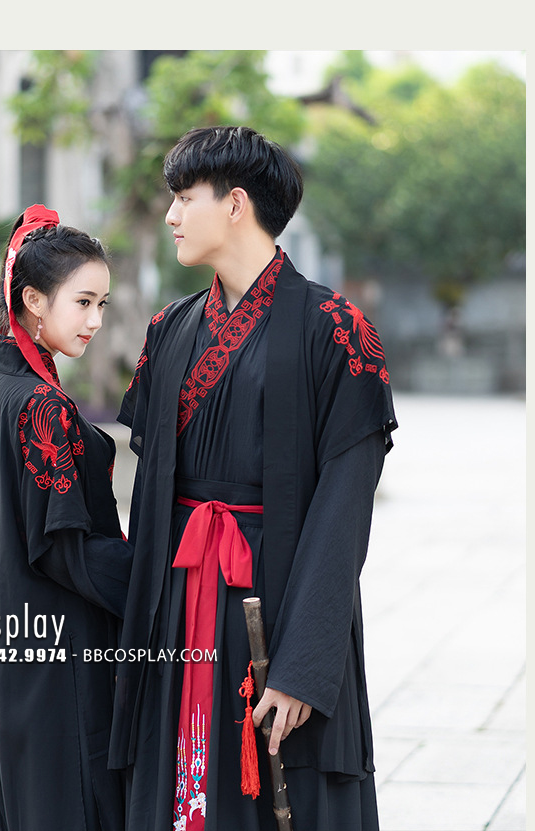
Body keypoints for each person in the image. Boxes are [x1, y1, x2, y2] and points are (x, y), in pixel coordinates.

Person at [109, 127, 398, 831]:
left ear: (236, 204)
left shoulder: (336, 329)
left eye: (185, 198)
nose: (171, 215)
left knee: (275, 784)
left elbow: (344, 508)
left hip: (273, 596)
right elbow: (148, 494)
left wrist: (303, 666)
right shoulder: (170, 328)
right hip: (181, 599)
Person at [0, 204, 132, 831]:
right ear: (33, 300)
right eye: (82, 302)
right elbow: (62, 549)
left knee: (17, 790)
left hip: (9, 629)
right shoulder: (39, 405)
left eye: (102, 304)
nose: (95, 320)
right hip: (62, 643)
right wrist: (158, 573)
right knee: (67, 797)